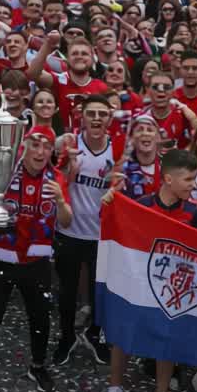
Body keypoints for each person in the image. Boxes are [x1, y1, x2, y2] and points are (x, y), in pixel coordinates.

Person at [102, 149, 197, 392]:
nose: (194, 185)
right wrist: (109, 204)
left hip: (170, 288)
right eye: (189, 180)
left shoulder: (194, 212)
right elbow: (115, 230)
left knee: (165, 339)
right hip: (137, 283)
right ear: (168, 179)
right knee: (123, 334)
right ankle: (115, 389)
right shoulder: (142, 206)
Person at [0, 125, 72, 392]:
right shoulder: (6, 168)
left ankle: (38, 366)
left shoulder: (56, 177)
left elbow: (66, 221)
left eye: (46, 146)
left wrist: (62, 202)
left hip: (36, 261)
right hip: (1, 256)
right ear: (24, 146)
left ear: (52, 150)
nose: (40, 151)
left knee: (40, 319)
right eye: (35, 144)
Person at [54, 94, 121, 366]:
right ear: (82, 116)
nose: (96, 118)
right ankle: (67, 336)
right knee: (67, 292)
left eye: (101, 114)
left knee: (98, 294)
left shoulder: (116, 150)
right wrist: (67, 168)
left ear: (109, 119)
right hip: (68, 232)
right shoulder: (69, 145)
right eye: (91, 113)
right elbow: (54, 178)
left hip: (101, 236)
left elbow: (122, 190)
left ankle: (94, 335)